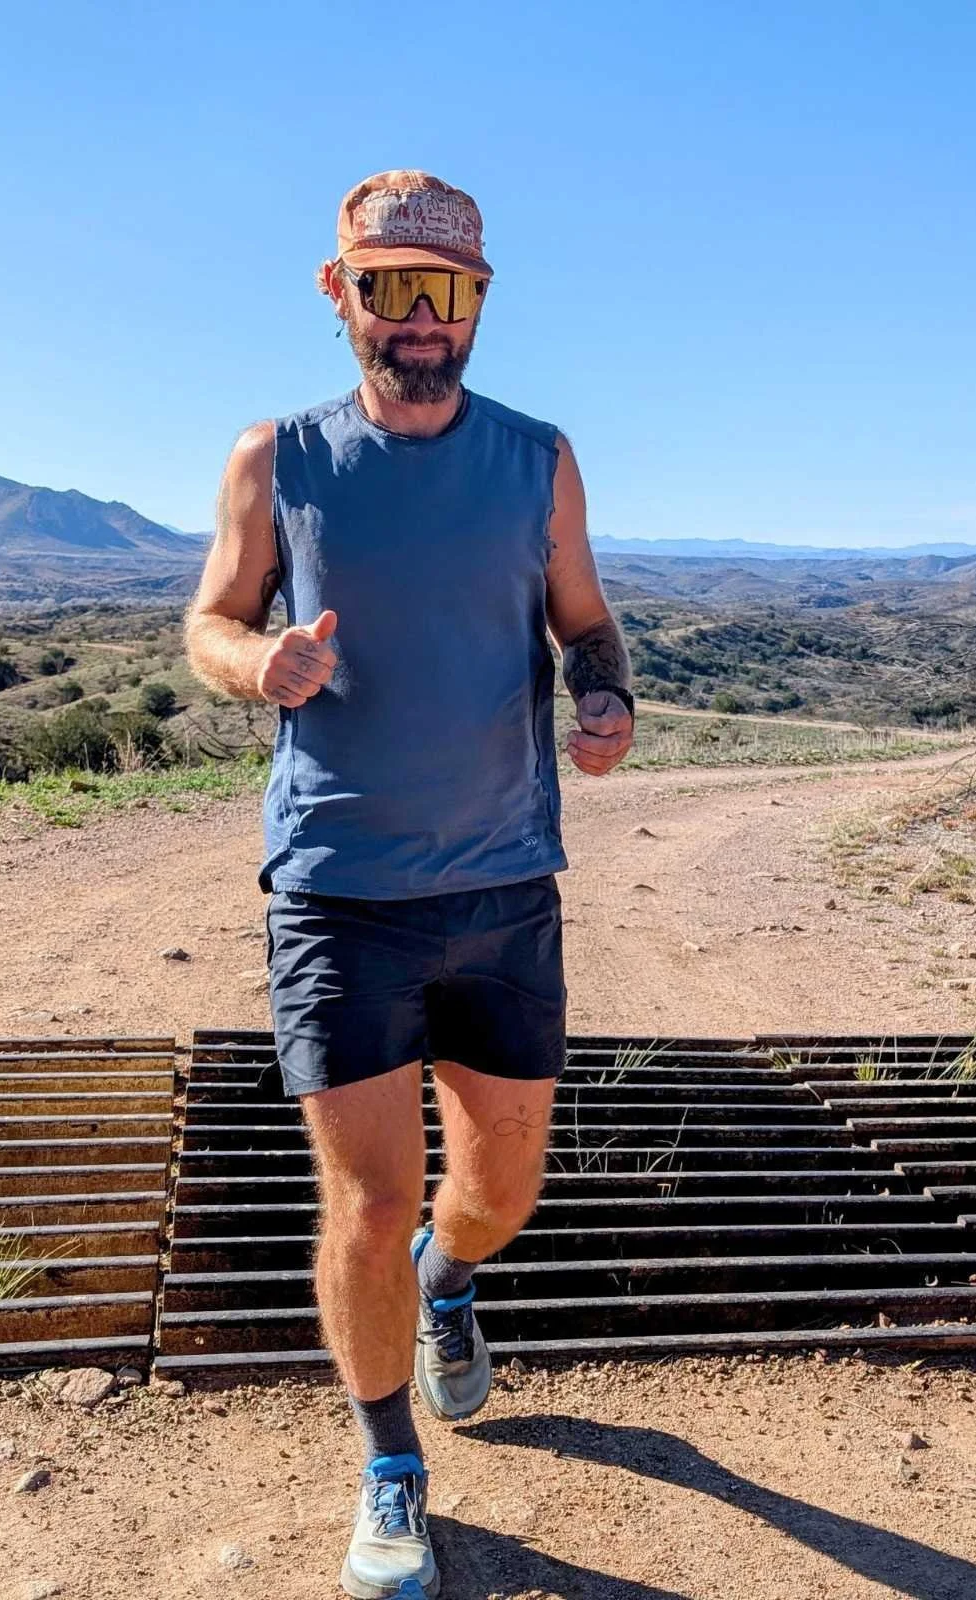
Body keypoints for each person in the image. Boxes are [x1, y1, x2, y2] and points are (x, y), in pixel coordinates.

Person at [183, 169, 634, 1600]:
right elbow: (210, 618)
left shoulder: (538, 459)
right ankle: (390, 1468)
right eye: (391, 287)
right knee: (370, 1203)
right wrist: (257, 662)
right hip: (337, 887)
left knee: (497, 1193)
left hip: (503, 883)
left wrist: (605, 696)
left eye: (446, 291)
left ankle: (453, 1282)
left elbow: (584, 621)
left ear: (479, 303)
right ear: (342, 294)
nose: (421, 318)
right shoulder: (278, 458)